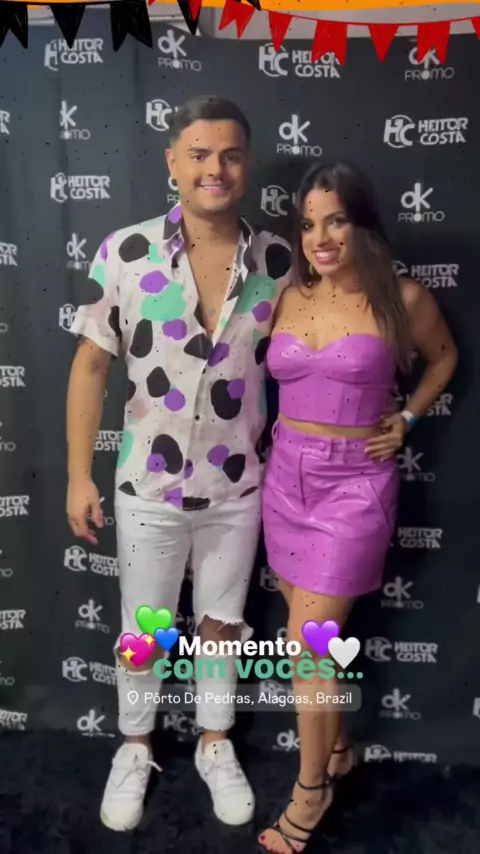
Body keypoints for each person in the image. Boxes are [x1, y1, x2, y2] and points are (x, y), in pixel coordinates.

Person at [65, 94, 292, 832]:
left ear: (246, 164)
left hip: (238, 486)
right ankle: (134, 747)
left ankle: (214, 741)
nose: (214, 168)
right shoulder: (124, 252)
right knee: (146, 630)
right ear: (173, 161)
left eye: (229, 154)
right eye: (198, 154)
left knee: (222, 624)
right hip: (147, 483)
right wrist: (78, 475)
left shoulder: (280, 261)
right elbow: (91, 366)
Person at [258, 161, 458, 854]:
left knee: (306, 649)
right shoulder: (287, 295)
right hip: (285, 481)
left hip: (353, 487)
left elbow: (443, 359)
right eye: (308, 224)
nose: (319, 238)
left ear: (363, 224)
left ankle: (310, 791)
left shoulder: (402, 298)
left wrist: (408, 418)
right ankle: (338, 750)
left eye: (335, 220)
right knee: (316, 649)